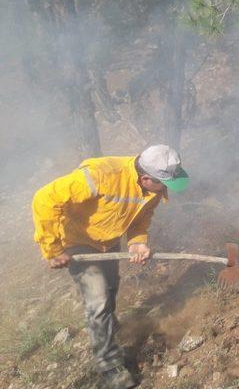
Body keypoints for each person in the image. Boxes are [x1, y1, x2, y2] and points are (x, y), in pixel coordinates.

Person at [32, 145, 189, 389]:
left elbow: (141, 218)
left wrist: (138, 242)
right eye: (163, 183)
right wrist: (52, 249)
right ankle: (108, 364)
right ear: (146, 178)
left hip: (108, 241)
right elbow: (45, 199)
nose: (166, 189)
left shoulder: (152, 188)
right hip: (78, 242)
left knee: (111, 289)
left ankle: (108, 330)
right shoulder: (102, 175)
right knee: (98, 300)